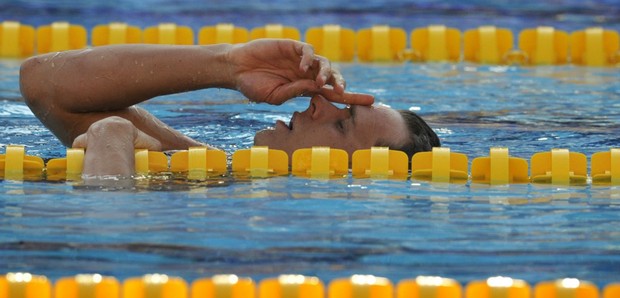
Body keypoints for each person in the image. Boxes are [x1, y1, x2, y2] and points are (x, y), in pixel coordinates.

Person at [20, 39, 440, 176]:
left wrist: (111, 143)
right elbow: (42, 83)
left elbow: (107, 246)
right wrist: (229, 64)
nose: (319, 102)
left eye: (342, 126)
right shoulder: (205, 170)